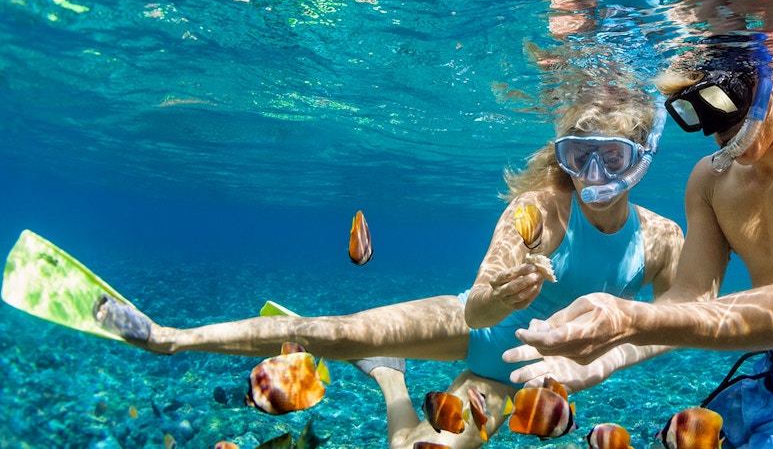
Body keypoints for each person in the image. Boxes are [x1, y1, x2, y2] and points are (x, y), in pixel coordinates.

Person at [95, 86, 684, 449]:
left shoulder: (661, 238)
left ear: (642, 161)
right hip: (468, 322)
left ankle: (389, 377)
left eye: (614, 157)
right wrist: (502, 296)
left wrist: (603, 358)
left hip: (511, 379)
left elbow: (678, 319)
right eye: (579, 157)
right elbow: (479, 304)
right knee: (335, 331)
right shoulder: (539, 210)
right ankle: (169, 338)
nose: (595, 176)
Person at [505, 40, 773, 448]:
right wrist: (608, 357)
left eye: (724, 101)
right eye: (696, 113)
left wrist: (631, 321)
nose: (718, 132)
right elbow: (690, 296)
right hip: (768, 372)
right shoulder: (710, 180)